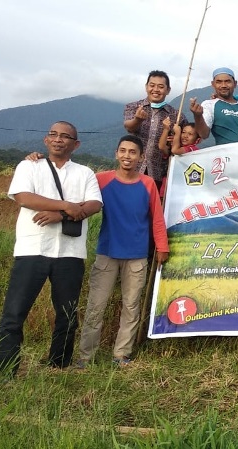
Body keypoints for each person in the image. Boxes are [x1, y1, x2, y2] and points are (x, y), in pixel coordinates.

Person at [0, 121, 103, 377]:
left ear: (76, 144)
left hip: (71, 252)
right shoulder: (29, 165)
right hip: (33, 248)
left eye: (65, 136)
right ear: (45, 140)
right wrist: (65, 206)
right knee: (15, 312)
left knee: (67, 314)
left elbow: (94, 204)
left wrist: (60, 216)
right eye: (53, 134)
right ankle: (3, 371)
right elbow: (23, 197)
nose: (58, 139)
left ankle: (59, 365)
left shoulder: (85, 173)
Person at [75, 135, 169, 368]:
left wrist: (162, 247)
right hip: (107, 252)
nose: (127, 156)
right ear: (116, 154)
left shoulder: (148, 184)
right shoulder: (101, 180)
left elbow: (157, 219)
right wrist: (38, 160)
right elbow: (73, 185)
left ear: (141, 157)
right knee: (96, 305)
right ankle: (85, 356)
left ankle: (121, 354)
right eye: (123, 151)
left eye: (132, 152)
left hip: (137, 255)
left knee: (131, 305)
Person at [123, 70, 186, 190]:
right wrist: (137, 119)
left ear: (168, 90)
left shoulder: (177, 115)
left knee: (153, 207)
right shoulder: (133, 107)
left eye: (161, 87)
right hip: (132, 168)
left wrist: (176, 138)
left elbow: (187, 138)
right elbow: (128, 126)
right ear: (146, 87)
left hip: (160, 173)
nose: (156, 90)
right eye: (152, 85)